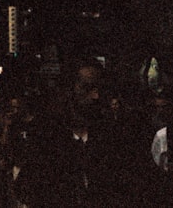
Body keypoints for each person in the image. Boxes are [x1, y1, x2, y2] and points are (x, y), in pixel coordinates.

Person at [14, 57, 137, 207]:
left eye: (98, 89)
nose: (95, 97)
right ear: (69, 89)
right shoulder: (48, 137)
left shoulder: (113, 138)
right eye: (87, 88)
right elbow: (26, 188)